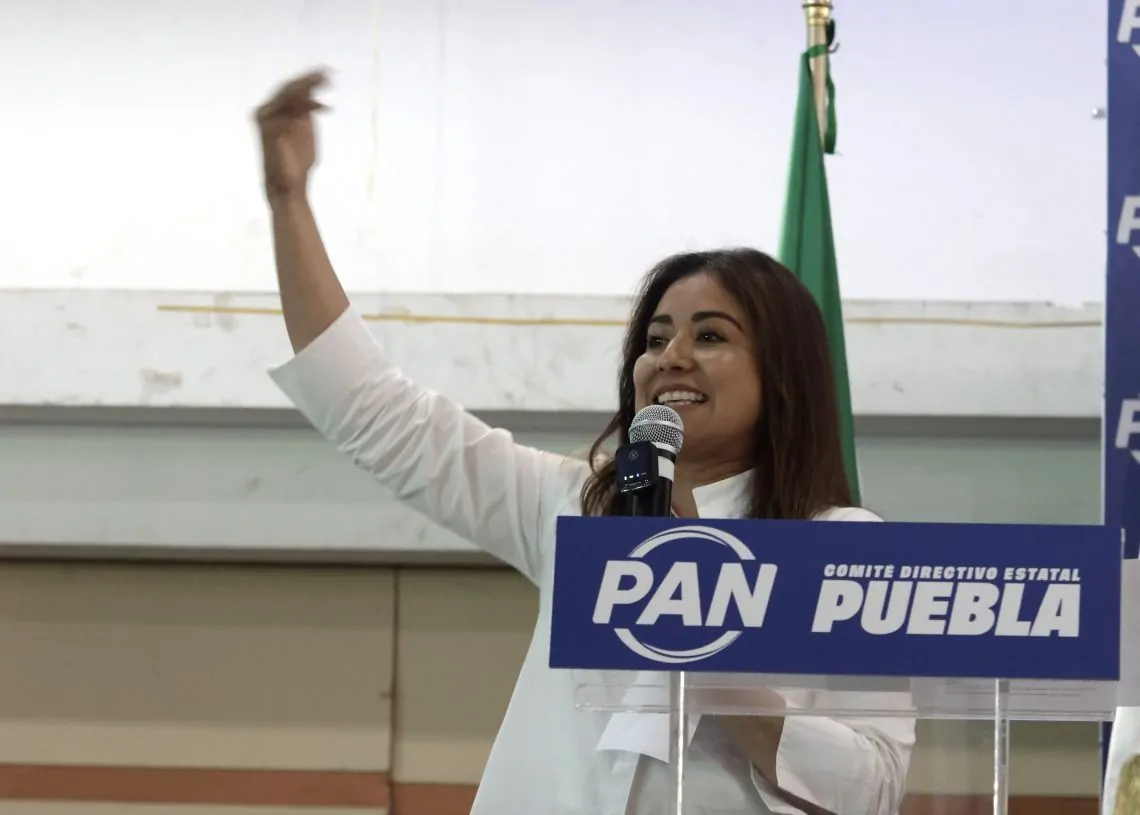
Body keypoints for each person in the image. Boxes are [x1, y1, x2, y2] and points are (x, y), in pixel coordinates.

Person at [255, 69, 915, 815]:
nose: (671, 357)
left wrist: (702, 645)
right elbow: (376, 410)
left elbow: (874, 787)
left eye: (711, 336)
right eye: (657, 337)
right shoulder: (579, 508)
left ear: (784, 374)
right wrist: (289, 204)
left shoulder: (843, 547)